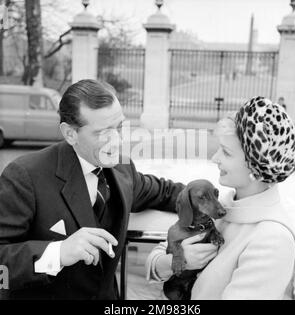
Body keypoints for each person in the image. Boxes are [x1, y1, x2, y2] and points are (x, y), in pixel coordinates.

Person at [0, 79, 185, 300]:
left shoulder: (123, 169)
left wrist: (222, 203)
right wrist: (58, 252)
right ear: (70, 134)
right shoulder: (24, 176)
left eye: (119, 127)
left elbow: (165, 192)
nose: (116, 141)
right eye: (102, 133)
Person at [146, 96, 295, 300]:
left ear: (256, 167)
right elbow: (155, 261)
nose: (214, 158)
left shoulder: (273, 240)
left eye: (226, 153)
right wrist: (175, 260)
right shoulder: (223, 207)